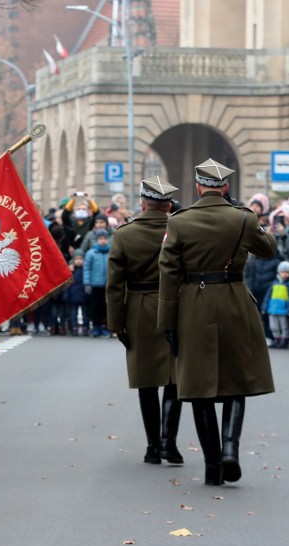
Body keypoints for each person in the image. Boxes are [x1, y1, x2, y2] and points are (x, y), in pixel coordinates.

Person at [158, 158, 276, 486]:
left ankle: (212, 467)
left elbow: (168, 273)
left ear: (198, 187)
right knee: (236, 380)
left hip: (194, 305)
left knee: (198, 388)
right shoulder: (243, 218)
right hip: (235, 300)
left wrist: (167, 322)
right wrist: (246, 216)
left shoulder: (180, 222)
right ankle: (229, 451)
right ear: (225, 187)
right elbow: (269, 250)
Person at [107, 177, 182, 465]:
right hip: (175, 307)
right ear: (169, 205)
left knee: (146, 380)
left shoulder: (124, 235)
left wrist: (116, 323)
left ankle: (152, 447)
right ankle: (168, 443)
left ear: (142, 203)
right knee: (174, 378)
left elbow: (114, 284)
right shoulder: (179, 229)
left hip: (138, 308)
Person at [261, 261, 289, 349]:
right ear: (279, 272)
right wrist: (264, 306)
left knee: (284, 326)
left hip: (283, 310)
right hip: (273, 309)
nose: (285, 274)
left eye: (287, 272)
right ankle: (277, 339)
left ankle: (284, 340)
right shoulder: (274, 283)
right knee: (274, 326)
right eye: (283, 272)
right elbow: (268, 296)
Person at [83, 229, 110, 337]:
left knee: (105, 307)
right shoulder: (91, 253)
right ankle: (96, 326)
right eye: (100, 239)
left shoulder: (111, 251)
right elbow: (87, 269)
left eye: (104, 238)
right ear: (96, 240)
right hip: (95, 285)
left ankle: (104, 326)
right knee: (95, 307)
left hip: (107, 285)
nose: (103, 241)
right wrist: (87, 283)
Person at [63, 249, 89, 335]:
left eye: (80, 259)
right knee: (73, 313)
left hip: (84, 295)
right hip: (73, 296)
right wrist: (66, 294)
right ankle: (74, 327)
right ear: (73, 260)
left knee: (85, 313)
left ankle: (85, 327)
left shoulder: (86, 270)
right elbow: (68, 284)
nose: (78, 261)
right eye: (77, 259)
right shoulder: (71, 271)